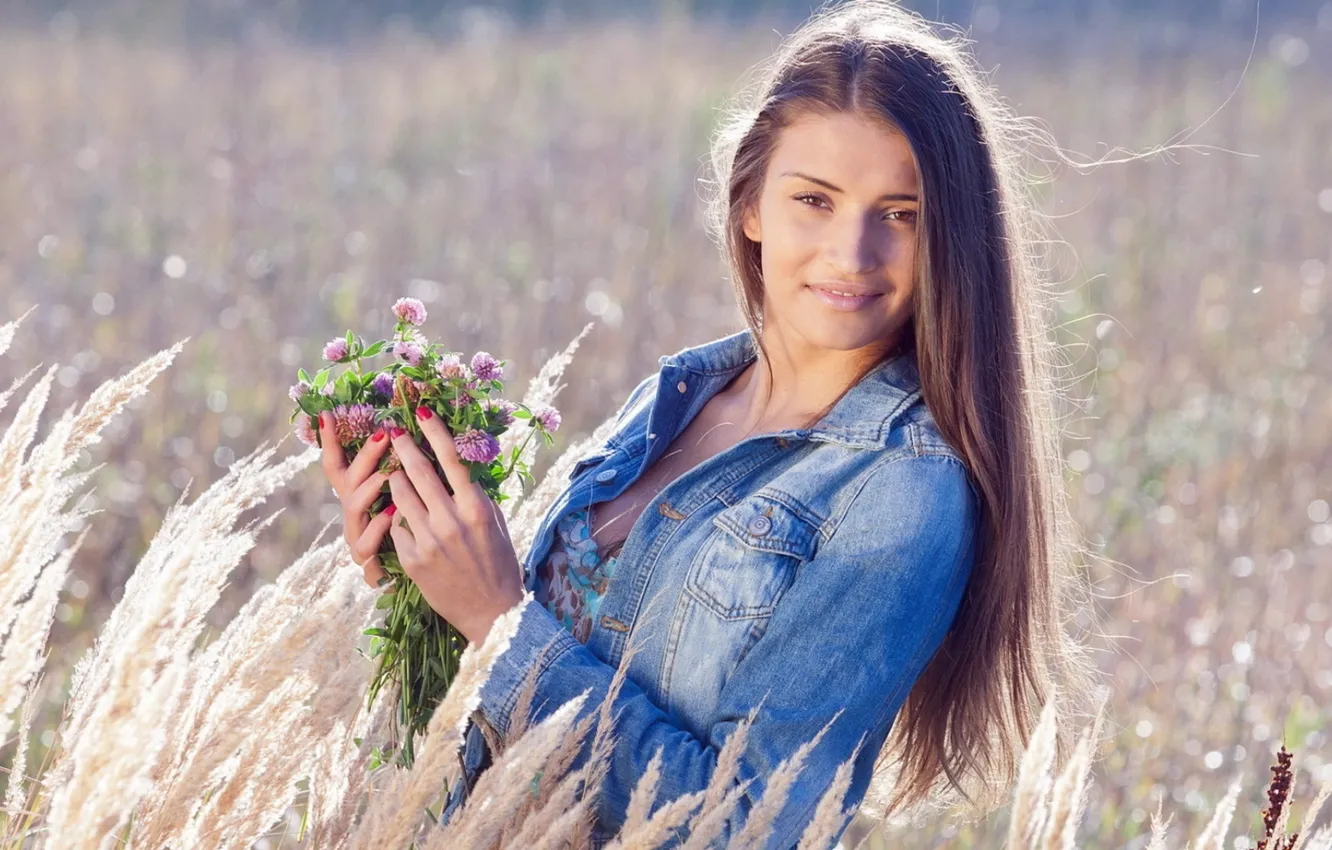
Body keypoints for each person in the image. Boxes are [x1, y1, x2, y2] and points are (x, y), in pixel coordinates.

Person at [320, 0, 1099, 846]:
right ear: (752, 205)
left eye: (901, 214)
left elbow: (743, 824)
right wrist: (427, 579)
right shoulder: (683, 396)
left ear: (952, 237)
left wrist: (500, 619)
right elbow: (522, 685)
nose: (852, 252)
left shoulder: (904, 494)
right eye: (815, 200)